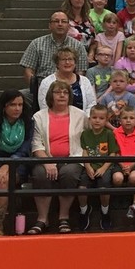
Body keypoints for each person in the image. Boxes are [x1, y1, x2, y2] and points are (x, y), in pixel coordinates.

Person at [27, 81, 88, 234]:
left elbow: (88, 139)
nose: (62, 95)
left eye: (65, 92)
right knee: (40, 174)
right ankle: (42, 219)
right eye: (57, 92)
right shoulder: (39, 116)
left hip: (72, 158)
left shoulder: (80, 115)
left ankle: (64, 217)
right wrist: (48, 162)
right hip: (47, 158)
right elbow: (36, 144)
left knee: (69, 173)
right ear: (50, 95)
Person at [0, 90, 32, 235]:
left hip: (17, 164)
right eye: (13, 105)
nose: (17, 108)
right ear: (4, 106)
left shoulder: (28, 123)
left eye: (20, 104)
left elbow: (24, 150)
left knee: (2, 182)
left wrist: (7, 166)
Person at [20, 12, 89, 95]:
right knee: (17, 95)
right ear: (49, 25)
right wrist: (36, 89)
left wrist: (71, 90)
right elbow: (28, 70)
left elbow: (81, 71)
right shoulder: (36, 43)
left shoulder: (78, 46)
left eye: (63, 21)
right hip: (41, 87)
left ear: (68, 26)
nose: (60, 24)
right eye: (56, 21)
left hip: (68, 90)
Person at [37, 47, 96, 116]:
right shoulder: (46, 82)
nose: (67, 62)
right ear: (57, 63)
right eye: (63, 59)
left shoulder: (85, 81)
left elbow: (91, 104)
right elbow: (44, 106)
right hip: (55, 121)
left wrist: (83, 120)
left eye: (70, 59)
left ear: (75, 63)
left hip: (81, 122)